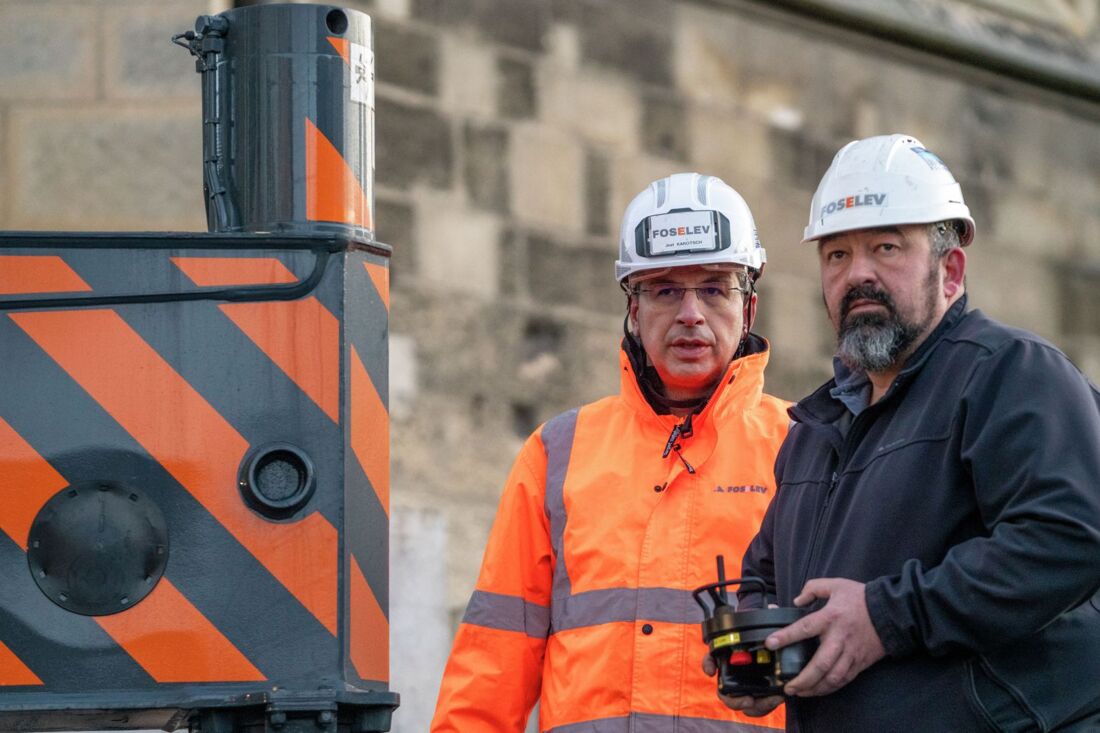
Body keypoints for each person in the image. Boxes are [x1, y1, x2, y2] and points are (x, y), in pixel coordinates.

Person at [722, 133, 1100, 731]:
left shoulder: (1011, 373)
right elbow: (766, 574)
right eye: (836, 255)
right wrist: (764, 644)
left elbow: (1071, 537)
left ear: (950, 270)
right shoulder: (815, 430)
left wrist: (885, 616)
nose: (858, 274)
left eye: (887, 247)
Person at [431, 173, 791, 732]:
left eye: (715, 288)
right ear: (633, 309)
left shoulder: (803, 448)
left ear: (748, 307)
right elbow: (491, 663)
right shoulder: (556, 454)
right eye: (664, 290)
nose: (691, 313)